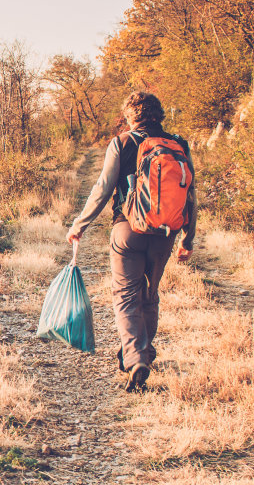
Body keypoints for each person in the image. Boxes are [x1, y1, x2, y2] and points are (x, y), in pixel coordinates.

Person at [66, 91, 196, 392]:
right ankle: (144, 355)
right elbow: (190, 194)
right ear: (159, 114)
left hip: (128, 231)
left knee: (125, 296)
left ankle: (135, 357)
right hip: (165, 233)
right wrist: (187, 238)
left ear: (129, 116)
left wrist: (80, 224)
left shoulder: (122, 142)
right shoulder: (177, 144)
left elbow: (103, 188)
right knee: (149, 295)